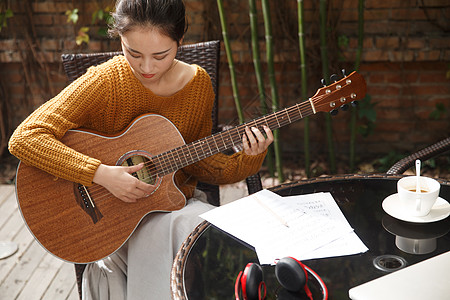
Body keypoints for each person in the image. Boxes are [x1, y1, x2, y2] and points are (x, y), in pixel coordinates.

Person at [8, 0, 273, 299]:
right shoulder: (107, 80)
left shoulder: (198, 85)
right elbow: (26, 137)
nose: (147, 68)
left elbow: (199, 164)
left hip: (167, 203)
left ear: (180, 40)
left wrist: (249, 158)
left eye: (161, 55)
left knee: (199, 227)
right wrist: (101, 174)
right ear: (119, 39)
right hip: (108, 219)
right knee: (195, 232)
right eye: (133, 53)